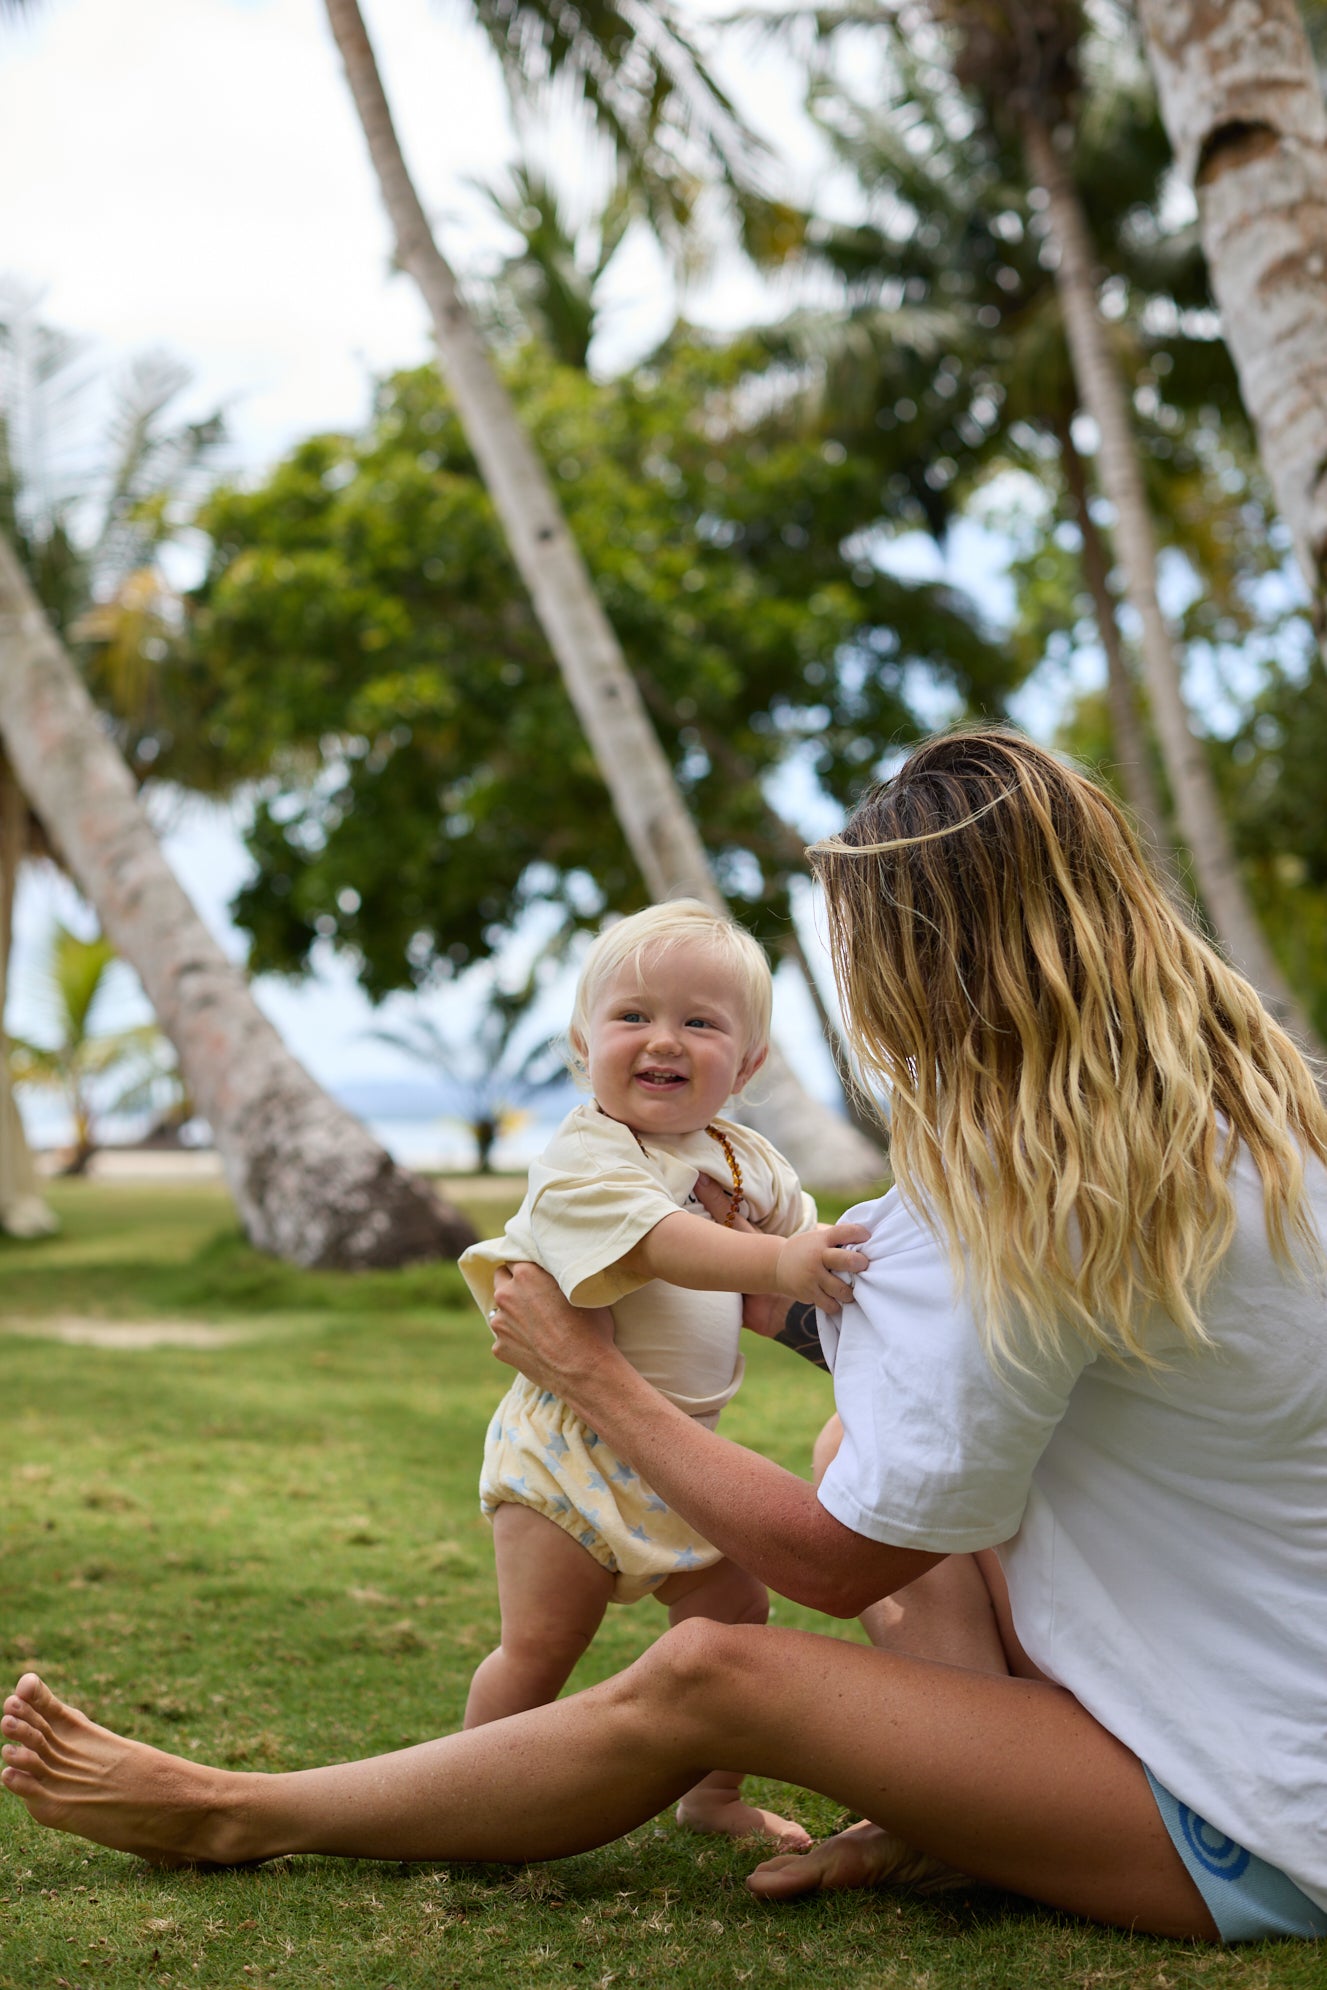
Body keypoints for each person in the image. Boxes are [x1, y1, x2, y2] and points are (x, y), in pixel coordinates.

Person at [5, 727, 1327, 1948]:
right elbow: (946, 1350)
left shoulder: (1020, 1200)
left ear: (918, 967)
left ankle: (243, 1809)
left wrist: (584, 1372)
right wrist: (772, 1295)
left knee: (709, 1665)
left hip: (1240, 1811)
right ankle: (954, 1824)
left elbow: (829, 1559)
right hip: (1262, 1719)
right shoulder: (1257, 1135)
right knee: (844, 1433)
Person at [457, 899, 864, 1847]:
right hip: (567, 1459)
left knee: (735, 1616)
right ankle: (475, 1797)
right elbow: (664, 1242)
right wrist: (776, 1262)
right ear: (582, 1041)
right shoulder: (584, 1158)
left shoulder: (744, 1158)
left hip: (680, 1453)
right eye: (632, 1016)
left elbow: (795, 1246)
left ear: (749, 1063)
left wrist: (813, 1256)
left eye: (700, 1022)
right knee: (542, 1646)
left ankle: (710, 1795)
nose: (662, 1041)